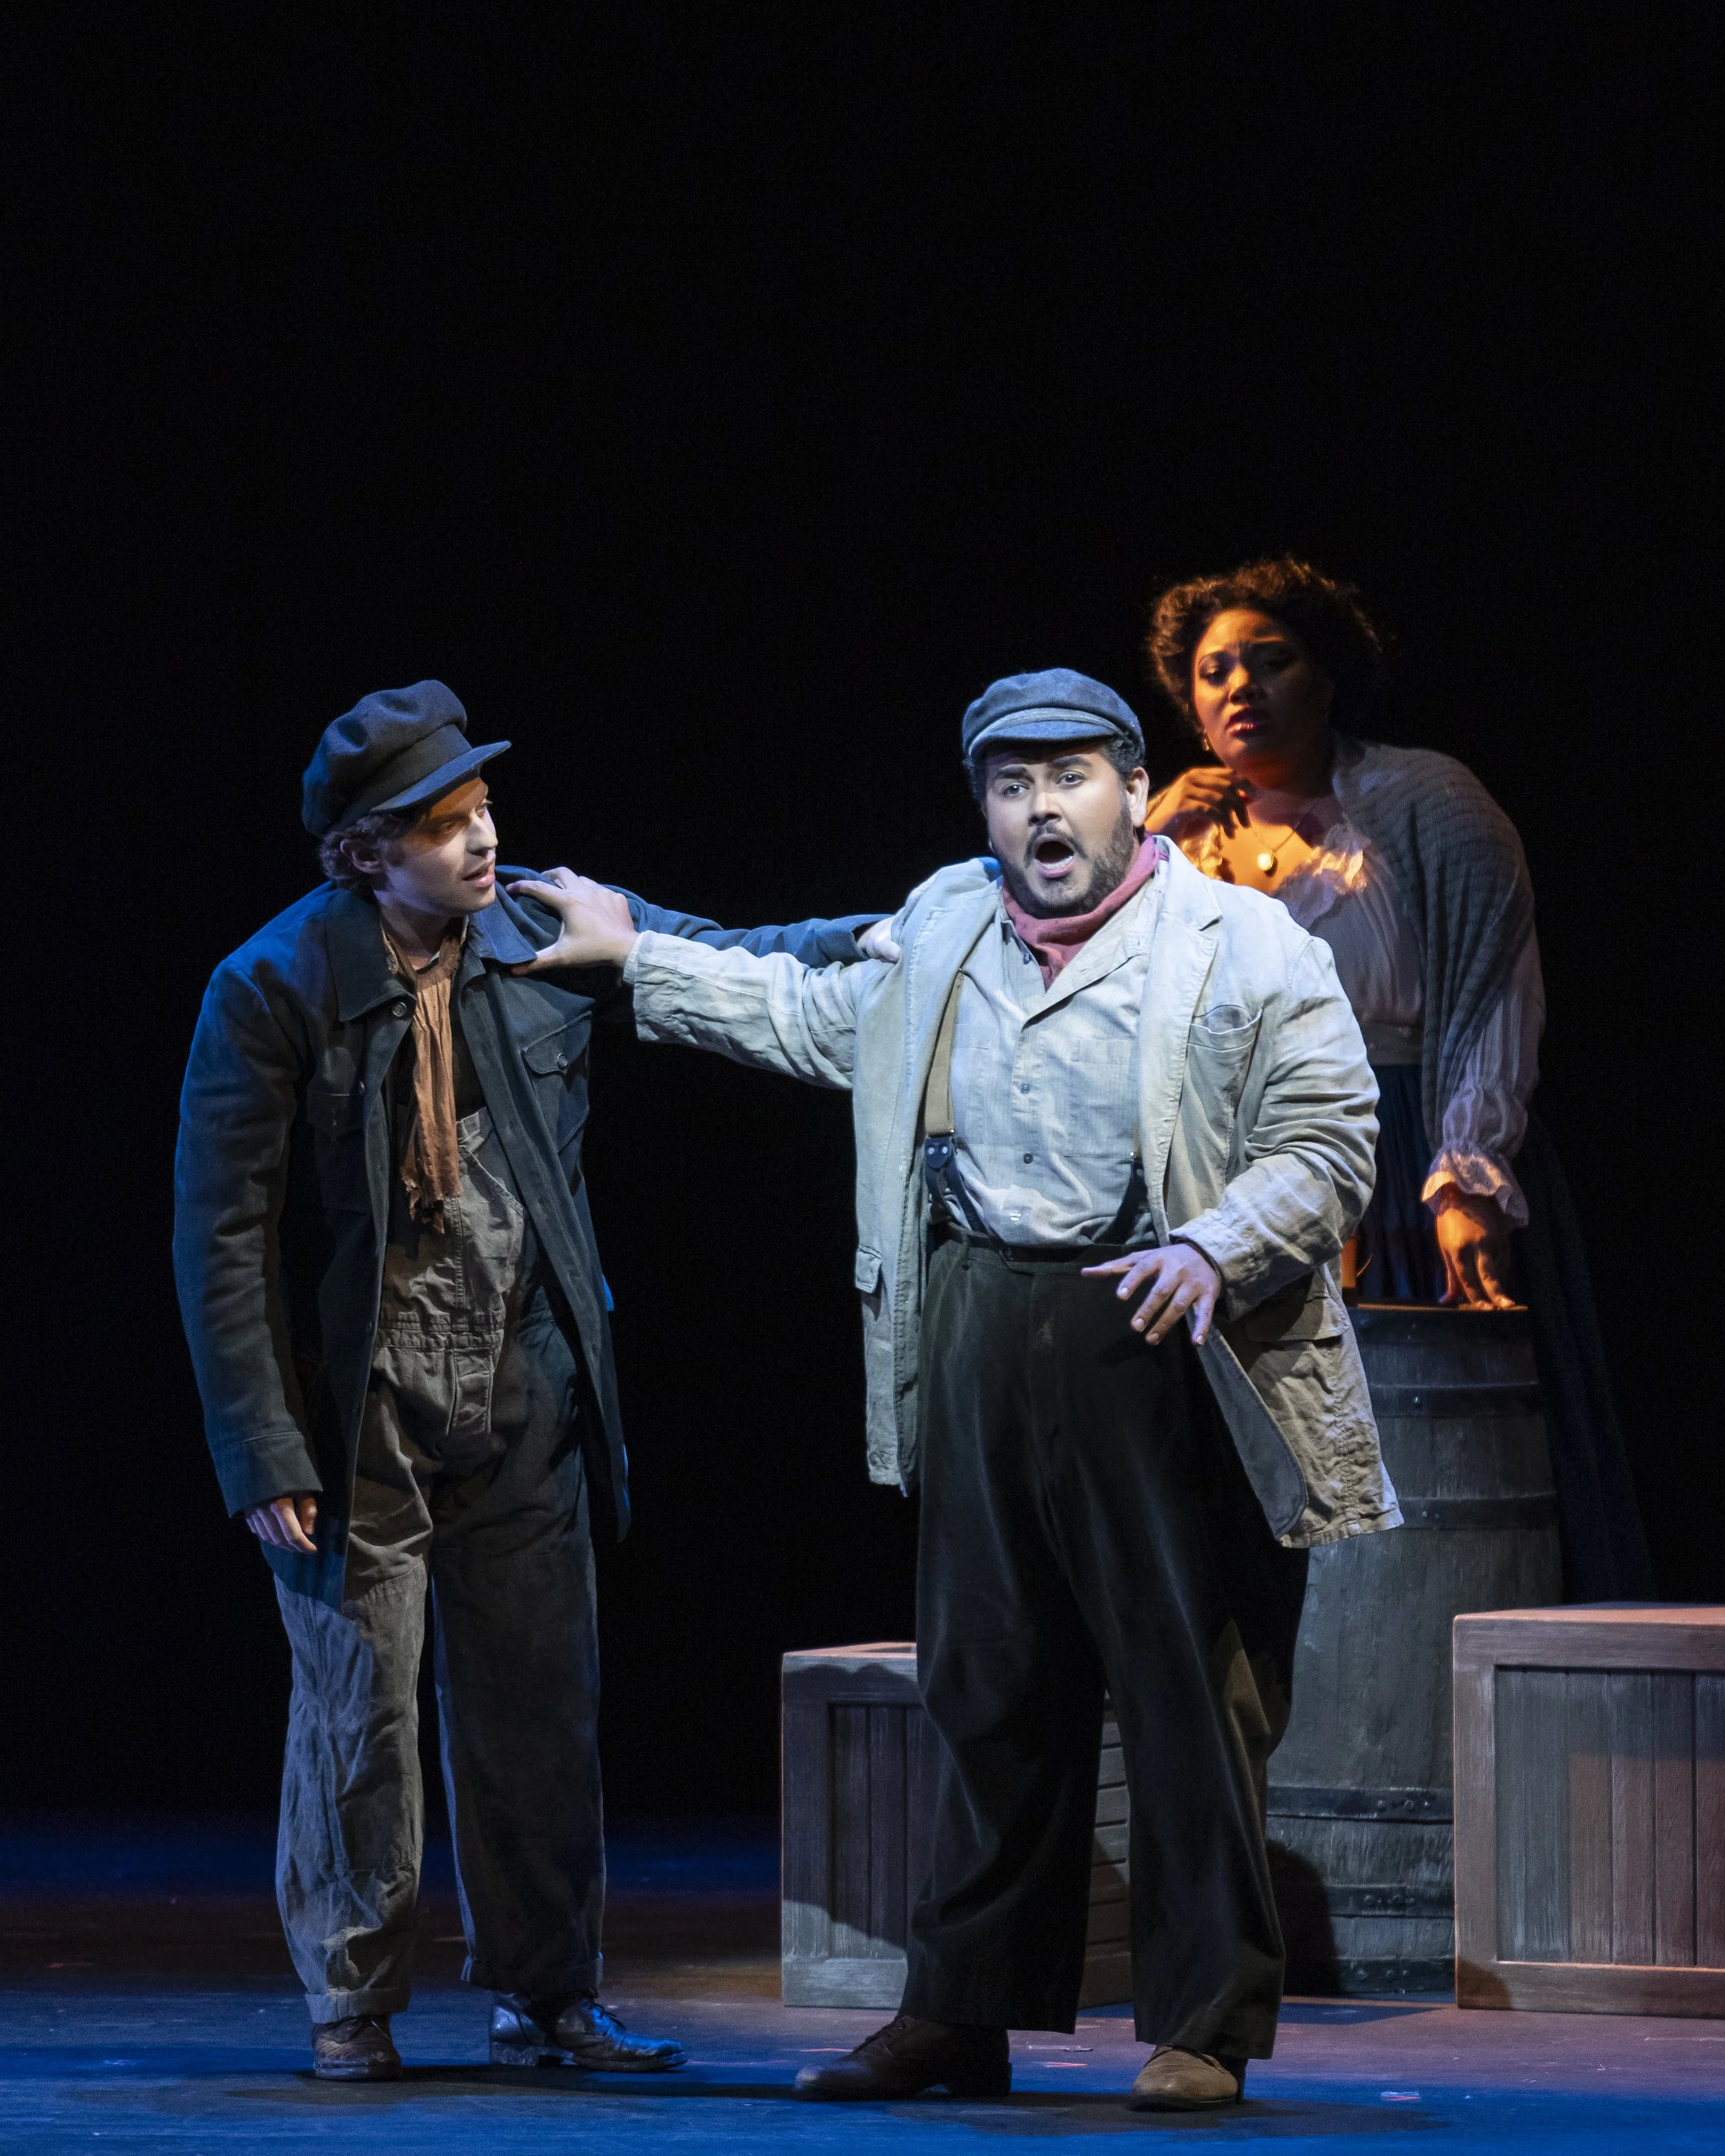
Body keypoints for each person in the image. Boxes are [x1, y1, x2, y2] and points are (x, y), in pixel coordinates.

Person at [510, 669, 1398, 2111]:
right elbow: (809, 1016)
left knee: (1188, 1693)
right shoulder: (943, 924)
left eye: (1068, 777)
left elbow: (1328, 1134)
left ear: (1128, 785)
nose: (1040, 809)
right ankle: (960, 2009)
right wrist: (632, 958)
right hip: (983, 1316)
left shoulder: (1242, 941)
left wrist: (1213, 1242)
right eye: (1010, 783)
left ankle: (1202, 2021)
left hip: (1163, 1324)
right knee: (990, 1686)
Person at [172, 680, 884, 2080]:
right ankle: (352, 2000)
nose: (482, 837)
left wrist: (864, 936)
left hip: (519, 1372)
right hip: (356, 1401)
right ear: (366, 852)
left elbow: (705, 947)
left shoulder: (531, 930)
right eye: (443, 825)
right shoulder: (272, 985)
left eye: (483, 806)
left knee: (539, 1705)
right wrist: (261, 1448)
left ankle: (547, 1995)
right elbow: (221, 1233)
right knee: (358, 1710)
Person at [1141, 558, 1650, 1599]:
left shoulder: (1421, 799)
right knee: (1251, 1483)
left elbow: (1494, 984)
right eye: (1214, 670)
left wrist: (1468, 1172)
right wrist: (1147, 849)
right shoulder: (1178, 848)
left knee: (1413, 1471)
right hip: (1240, 1174)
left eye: (1270, 661)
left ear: (1326, 678)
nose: (1239, 685)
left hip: (1402, 1151)